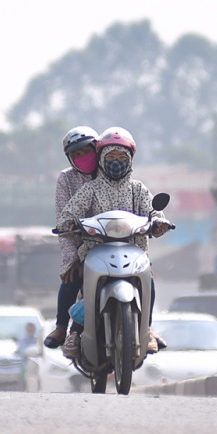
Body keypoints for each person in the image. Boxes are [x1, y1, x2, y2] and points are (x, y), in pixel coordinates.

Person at [56, 126, 171, 358]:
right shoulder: (90, 188)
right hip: (94, 250)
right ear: (102, 159)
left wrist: (160, 222)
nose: (116, 162)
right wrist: (68, 224)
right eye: (111, 157)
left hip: (134, 249)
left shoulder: (138, 189)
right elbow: (68, 212)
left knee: (148, 280)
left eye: (121, 157)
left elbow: (153, 211)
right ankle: (73, 331)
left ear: (130, 160)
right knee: (82, 286)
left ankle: (146, 329)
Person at [44, 126, 100, 349]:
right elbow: (62, 220)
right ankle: (62, 327)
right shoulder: (66, 180)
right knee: (70, 279)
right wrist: (72, 258)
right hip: (81, 247)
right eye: (76, 154)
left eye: (86, 151)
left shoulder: (113, 172)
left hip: (116, 243)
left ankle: (145, 327)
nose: (82, 157)